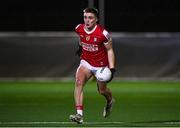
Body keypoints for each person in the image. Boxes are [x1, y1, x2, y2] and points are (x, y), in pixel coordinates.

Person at [69, 7, 116, 124]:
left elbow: (110, 50)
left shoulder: (103, 34)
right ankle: (79, 115)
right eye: (85, 17)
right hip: (86, 62)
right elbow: (81, 37)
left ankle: (110, 100)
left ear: (96, 20)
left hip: (101, 66)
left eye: (90, 18)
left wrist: (112, 69)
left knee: (102, 91)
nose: (87, 20)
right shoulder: (78, 28)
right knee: (79, 82)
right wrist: (80, 47)